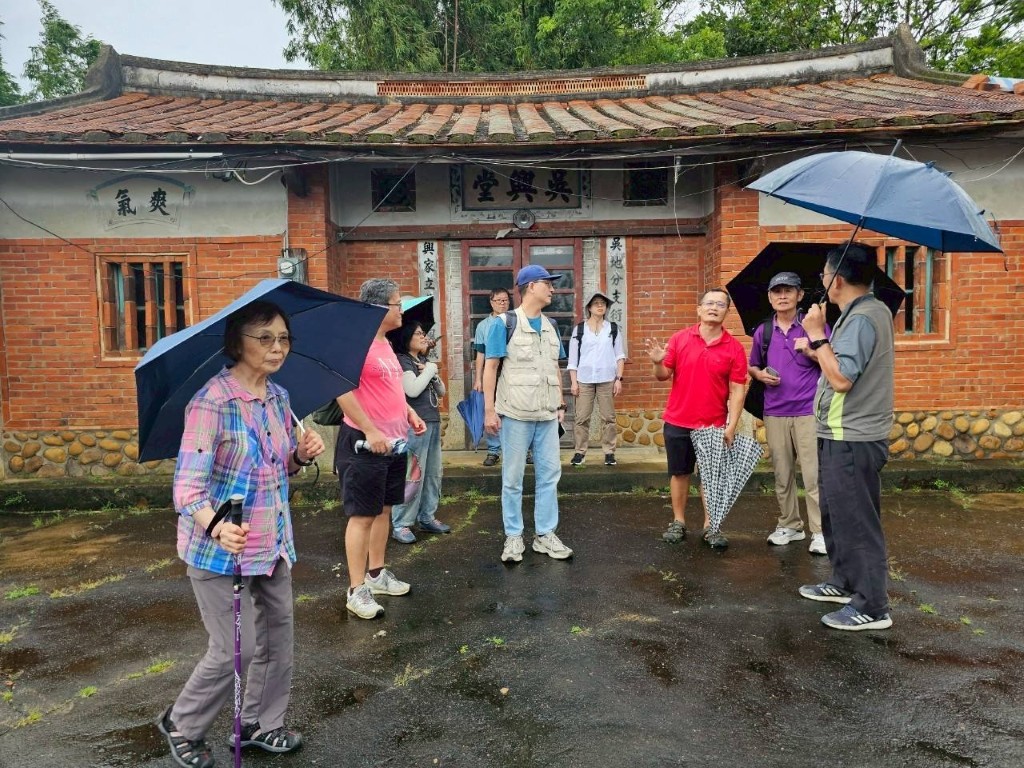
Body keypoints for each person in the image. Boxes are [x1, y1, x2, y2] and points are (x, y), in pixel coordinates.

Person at [159, 300, 325, 768]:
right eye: (265, 338)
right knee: (236, 647)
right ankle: (182, 723)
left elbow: (277, 469)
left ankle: (258, 724)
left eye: (284, 339)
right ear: (238, 343)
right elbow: (187, 488)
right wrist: (217, 526)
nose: (278, 348)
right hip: (220, 551)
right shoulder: (211, 402)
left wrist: (301, 456)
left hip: (271, 541)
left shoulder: (280, 398)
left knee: (277, 639)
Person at [798, 244, 895, 631]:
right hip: (839, 433)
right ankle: (844, 583)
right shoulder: (860, 314)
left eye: (823, 274)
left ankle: (873, 606)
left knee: (856, 521)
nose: (822, 280)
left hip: (853, 436)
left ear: (836, 280)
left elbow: (841, 379)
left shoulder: (862, 319)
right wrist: (819, 344)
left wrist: (817, 336)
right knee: (836, 515)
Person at [335, 278, 426, 620]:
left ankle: (376, 574)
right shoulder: (355, 343)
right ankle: (355, 589)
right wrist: (370, 429)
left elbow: (390, 389)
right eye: (397, 303)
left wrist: (409, 412)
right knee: (362, 516)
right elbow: (341, 390)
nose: (401, 309)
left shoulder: (385, 342)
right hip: (364, 442)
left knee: (384, 510)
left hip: (394, 441)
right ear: (377, 308)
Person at [482, 265, 573, 563]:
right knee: (513, 479)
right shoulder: (504, 323)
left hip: (547, 416)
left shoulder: (551, 326)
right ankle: (513, 536)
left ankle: (545, 535)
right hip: (515, 414)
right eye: (548, 284)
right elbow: (491, 367)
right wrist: (489, 411)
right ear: (531, 286)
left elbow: (555, 368)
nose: (553, 289)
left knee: (549, 476)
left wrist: (560, 404)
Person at [645, 288, 748, 550]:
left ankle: (711, 526)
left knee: (711, 477)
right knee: (679, 473)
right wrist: (657, 362)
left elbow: (738, 389)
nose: (714, 308)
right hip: (678, 420)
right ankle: (678, 522)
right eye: (709, 303)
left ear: (727, 311)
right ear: (699, 309)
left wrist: (731, 425)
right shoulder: (680, 339)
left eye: (720, 304)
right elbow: (662, 375)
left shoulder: (734, 348)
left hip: (714, 424)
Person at [748, 271, 829, 555]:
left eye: (788, 291)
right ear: (770, 297)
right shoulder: (763, 331)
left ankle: (820, 531)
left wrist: (811, 352)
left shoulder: (814, 325)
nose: (782, 296)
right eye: (777, 291)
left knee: (813, 475)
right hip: (774, 412)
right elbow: (753, 365)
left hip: (808, 411)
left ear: (800, 295)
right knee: (782, 474)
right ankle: (790, 525)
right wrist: (759, 375)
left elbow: (832, 362)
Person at [388, 320, 450, 544]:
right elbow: (411, 390)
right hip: (414, 425)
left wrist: (433, 372)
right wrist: (430, 370)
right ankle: (401, 523)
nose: (424, 337)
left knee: (433, 472)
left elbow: (441, 391)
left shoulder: (422, 361)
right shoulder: (402, 360)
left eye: (424, 333)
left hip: (432, 421)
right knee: (413, 474)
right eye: (418, 334)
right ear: (406, 337)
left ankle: (427, 516)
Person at [567, 291, 625, 467]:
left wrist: (618, 378)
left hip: (607, 379)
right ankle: (580, 452)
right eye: (596, 303)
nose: (600, 306)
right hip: (584, 379)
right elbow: (572, 359)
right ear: (589, 308)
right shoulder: (580, 329)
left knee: (608, 417)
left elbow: (620, 356)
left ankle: (609, 452)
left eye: (603, 303)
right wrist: (574, 382)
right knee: (582, 417)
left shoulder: (612, 329)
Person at [473, 287, 511, 466]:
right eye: (499, 300)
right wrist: (478, 379)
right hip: (492, 373)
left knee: (515, 410)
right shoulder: (483, 326)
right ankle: (493, 450)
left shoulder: (514, 321)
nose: (502, 303)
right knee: (491, 410)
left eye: (505, 300)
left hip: (511, 373)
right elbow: (480, 354)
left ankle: (525, 450)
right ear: (491, 302)